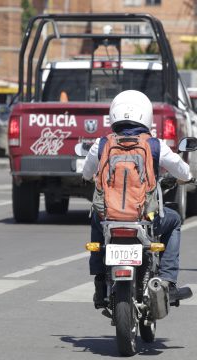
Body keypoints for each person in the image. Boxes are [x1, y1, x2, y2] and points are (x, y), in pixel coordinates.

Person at [82, 90, 192, 307]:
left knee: (96, 216)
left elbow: (86, 174)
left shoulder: (102, 144)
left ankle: (100, 280)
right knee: (174, 221)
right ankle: (169, 282)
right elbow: (183, 171)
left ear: (114, 114)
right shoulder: (154, 145)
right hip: (145, 218)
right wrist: (187, 177)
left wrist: (89, 178)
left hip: (109, 219)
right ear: (146, 115)